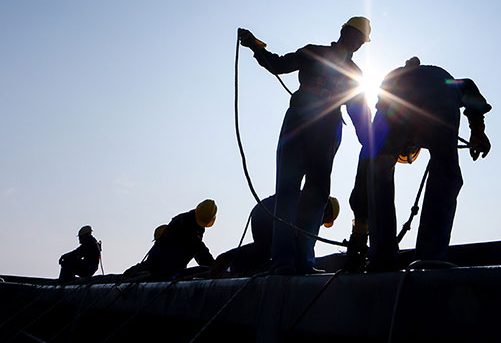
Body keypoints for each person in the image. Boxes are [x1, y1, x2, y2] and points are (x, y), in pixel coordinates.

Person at [238, 17, 371, 274]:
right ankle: (283, 262)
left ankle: (303, 261)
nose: (357, 43)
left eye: (360, 40)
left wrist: (374, 142)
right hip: (302, 121)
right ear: (343, 32)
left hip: (326, 127)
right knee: (288, 191)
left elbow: (359, 113)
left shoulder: (354, 73)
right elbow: (278, 64)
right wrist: (256, 47)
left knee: (317, 193)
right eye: (355, 36)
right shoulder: (315, 52)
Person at [346, 57, 491, 272]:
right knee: (445, 170)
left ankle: (382, 258)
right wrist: (477, 130)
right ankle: (430, 256)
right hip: (437, 89)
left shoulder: (383, 125)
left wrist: (360, 233)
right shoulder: (437, 82)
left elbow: (367, 177)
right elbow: (468, 85)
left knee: (379, 175)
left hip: (398, 98)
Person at [211, 195, 340, 277]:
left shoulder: (309, 198)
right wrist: (305, 265)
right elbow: (304, 241)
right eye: (325, 221)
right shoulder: (316, 206)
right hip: (268, 214)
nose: (322, 223)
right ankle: (228, 261)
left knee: (264, 250)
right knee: (267, 248)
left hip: (262, 211)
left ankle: (233, 264)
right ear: (328, 213)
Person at [143, 199, 217, 279]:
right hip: (164, 267)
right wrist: (215, 268)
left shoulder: (186, 221)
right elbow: (199, 250)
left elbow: (198, 250)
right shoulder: (187, 224)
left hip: (164, 266)